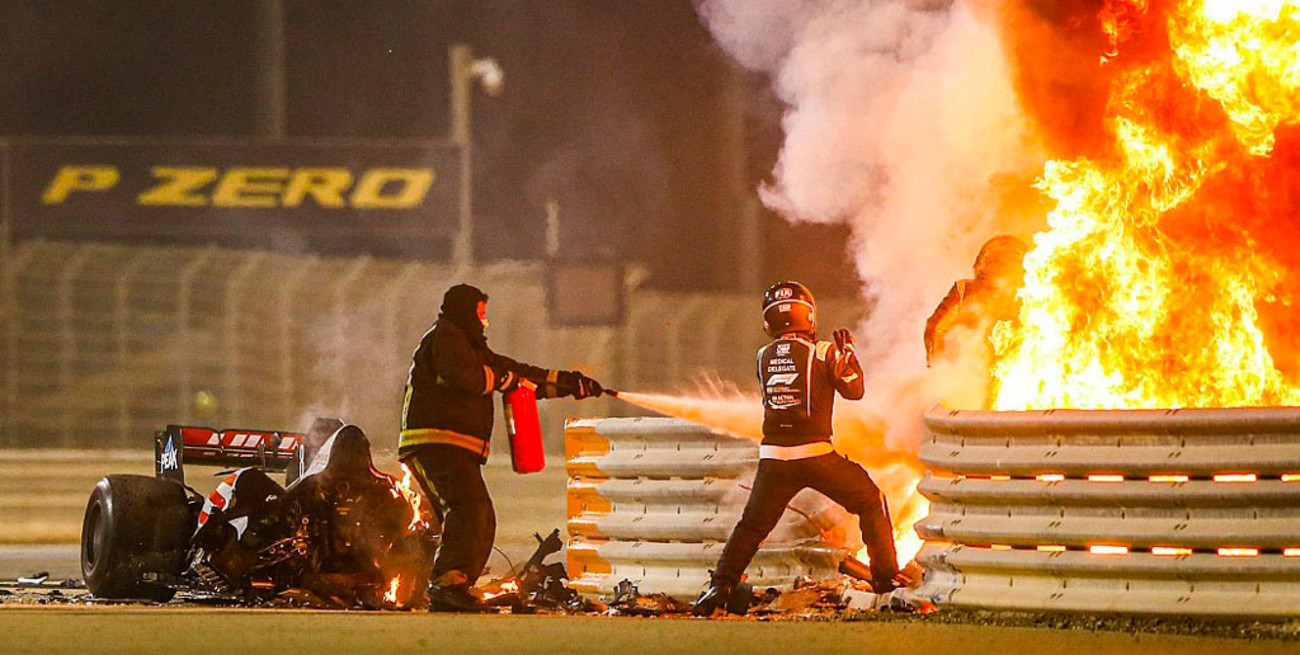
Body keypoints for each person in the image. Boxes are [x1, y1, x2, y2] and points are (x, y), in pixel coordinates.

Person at [692, 281, 901, 616]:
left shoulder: (762, 357)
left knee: (751, 527)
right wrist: (848, 355)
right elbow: (854, 390)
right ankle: (886, 580)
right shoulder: (823, 351)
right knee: (870, 500)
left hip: (773, 459)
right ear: (809, 316)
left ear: (769, 320)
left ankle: (720, 586)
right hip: (815, 454)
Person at [398, 283, 604, 612]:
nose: (485, 323)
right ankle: (446, 583)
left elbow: (519, 374)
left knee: (482, 515)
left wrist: (569, 383)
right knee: (469, 507)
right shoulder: (445, 338)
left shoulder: (469, 346)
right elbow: (466, 376)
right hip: (434, 442)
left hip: (454, 447)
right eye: (480, 315)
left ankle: (458, 584)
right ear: (465, 313)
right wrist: (504, 379)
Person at [923, 235, 1028, 367]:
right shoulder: (964, 291)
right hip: (969, 370)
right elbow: (937, 329)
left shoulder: (1031, 298)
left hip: (1012, 369)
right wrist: (940, 366)